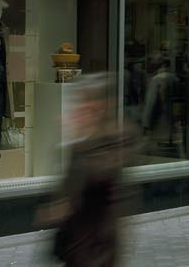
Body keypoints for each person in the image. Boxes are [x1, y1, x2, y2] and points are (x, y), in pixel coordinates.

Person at [41, 74, 132, 267]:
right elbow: (67, 193)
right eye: (78, 103)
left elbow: (100, 174)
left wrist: (80, 139)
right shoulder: (81, 144)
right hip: (76, 246)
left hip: (97, 251)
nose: (78, 111)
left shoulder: (115, 139)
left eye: (85, 104)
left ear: (100, 107)